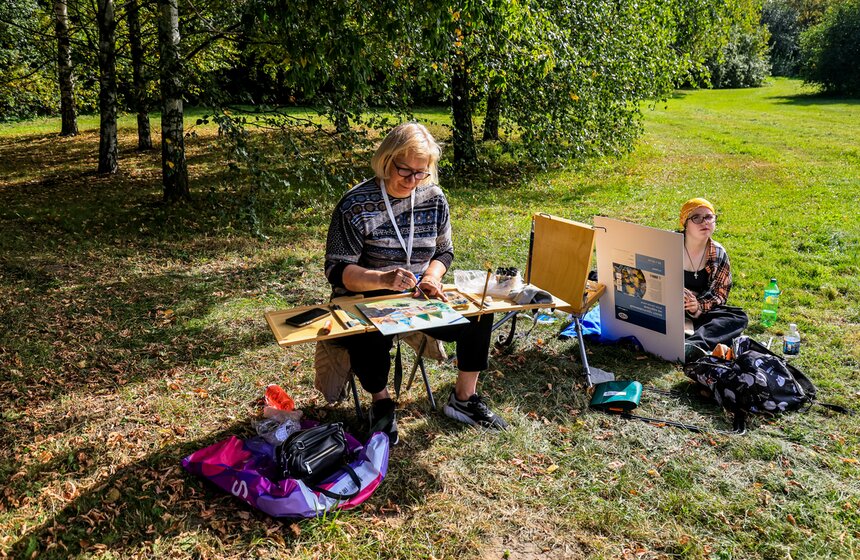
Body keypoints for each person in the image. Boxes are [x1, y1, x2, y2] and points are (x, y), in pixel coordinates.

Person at [324, 122, 509, 443]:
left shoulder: (433, 197)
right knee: (369, 333)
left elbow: (444, 251)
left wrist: (432, 276)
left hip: (419, 295)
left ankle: (463, 400)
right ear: (386, 161)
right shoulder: (354, 204)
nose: (412, 181)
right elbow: (337, 269)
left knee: (479, 313)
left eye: (421, 173)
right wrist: (382, 278)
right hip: (368, 296)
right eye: (405, 171)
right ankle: (381, 404)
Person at [679, 198, 748, 361]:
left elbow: (720, 294)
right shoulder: (668, 244)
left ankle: (692, 345)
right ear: (685, 223)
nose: (704, 222)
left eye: (709, 217)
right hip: (666, 307)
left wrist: (698, 307)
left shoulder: (718, 252)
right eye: (696, 217)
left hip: (700, 311)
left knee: (737, 317)